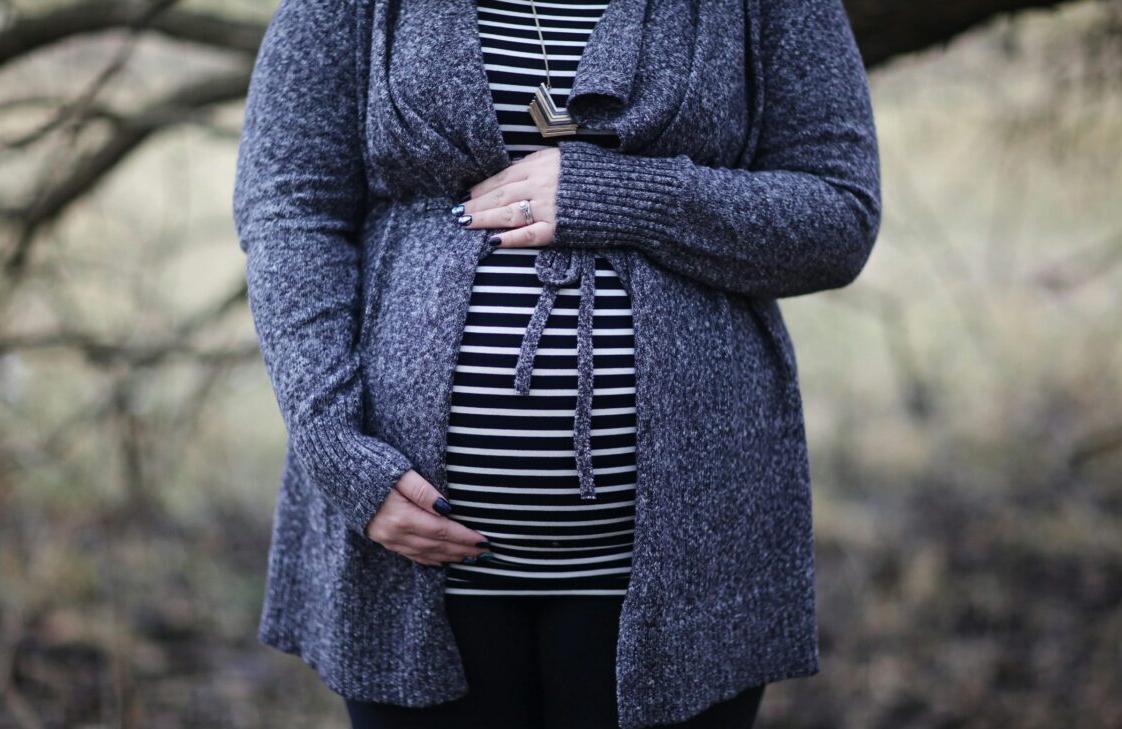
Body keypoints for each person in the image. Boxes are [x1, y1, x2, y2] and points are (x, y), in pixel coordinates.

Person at [231, 0, 881, 726]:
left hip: (686, 566)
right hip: (409, 560)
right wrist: (332, 444)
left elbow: (840, 213)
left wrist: (626, 195)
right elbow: (288, 203)